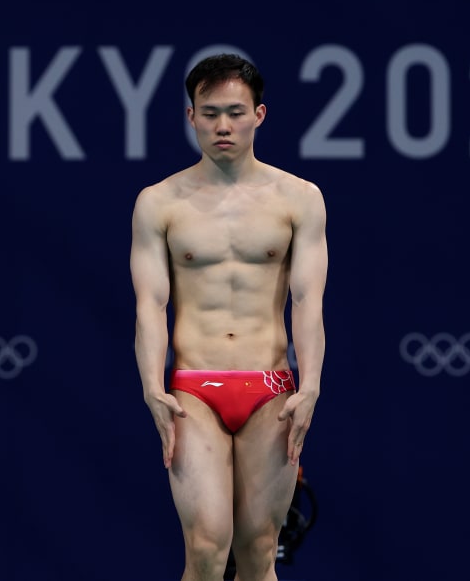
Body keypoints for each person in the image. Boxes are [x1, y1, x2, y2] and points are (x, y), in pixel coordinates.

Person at [130, 53, 328, 581]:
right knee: (206, 546)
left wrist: (310, 386)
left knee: (260, 549)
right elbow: (150, 304)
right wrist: (153, 386)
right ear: (190, 115)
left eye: (236, 113)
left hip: (271, 387)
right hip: (194, 389)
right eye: (210, 112)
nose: (223, 125)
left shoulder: (300, 199)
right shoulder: (158, 203)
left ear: (259, 115)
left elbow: (308, 301)